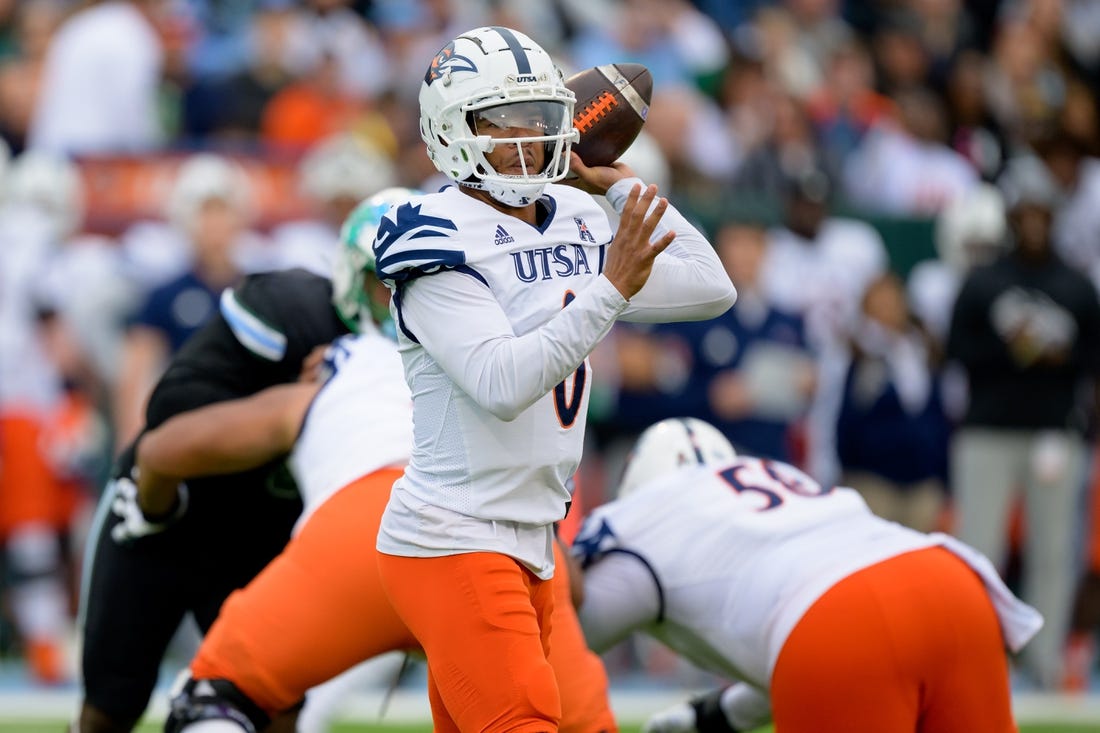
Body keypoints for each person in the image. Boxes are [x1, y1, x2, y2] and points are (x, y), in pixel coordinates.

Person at [371, 25, 737, 733]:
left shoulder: (572, 212)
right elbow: (502, 383)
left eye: (538, 121)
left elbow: (709, 285)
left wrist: (622, 186)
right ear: (450, 131)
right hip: (456, 535)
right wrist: (609, 288)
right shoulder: (432, 230)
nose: (525, 141)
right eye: (501, 123)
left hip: (532, 536)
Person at [148, 192, 616, 733]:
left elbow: (166, 447)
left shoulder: (342, 363)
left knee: (215, 698)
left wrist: (147, 502)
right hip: (501, 541)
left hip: (360, 535)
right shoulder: (508, 354)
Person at [73, 172, 370, 731]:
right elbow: (162, 444)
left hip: (262, 524)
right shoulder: (291, 308)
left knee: (279, 700)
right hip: (179, 505)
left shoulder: (423, 343)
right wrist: (153, 502)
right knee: (111, 703)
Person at [571, 417, 1043, 733]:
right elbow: (794, 647)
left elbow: (567, 638)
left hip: (840, 616)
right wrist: (714, 718)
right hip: (950, 581)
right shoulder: (768, 474)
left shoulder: (647, 519)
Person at [946, 155, 1100, 690]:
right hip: (988, 428)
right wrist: (1013, 351)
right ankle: (974, 656)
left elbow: (1092, 356)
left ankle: (1046, 660)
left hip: (1055, 430)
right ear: (1012, 215)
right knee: (979, 549)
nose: (1034, 220)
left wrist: (1060, 357)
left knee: (1054, 552)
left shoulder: (1076, 284)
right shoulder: (985, 280)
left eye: (1043, 211)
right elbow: (957, 349)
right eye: (1025, 211)